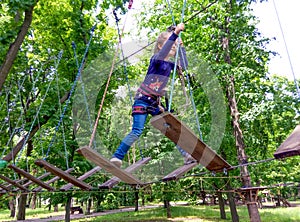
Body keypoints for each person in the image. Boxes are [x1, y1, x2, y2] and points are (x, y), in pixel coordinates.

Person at [110, 23, 196, 168]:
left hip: (154, 104)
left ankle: (186, 155)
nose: (173, 46)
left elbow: (184, 65)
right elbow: (164, 52)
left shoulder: (170, 66)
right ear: (160, 46)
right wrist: (175, 33)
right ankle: (117, 157)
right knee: (137, 131)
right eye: (171, 44)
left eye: (174, 45)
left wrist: (181, 47)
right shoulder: (156, 60)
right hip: (142, 101)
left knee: (170, 127)